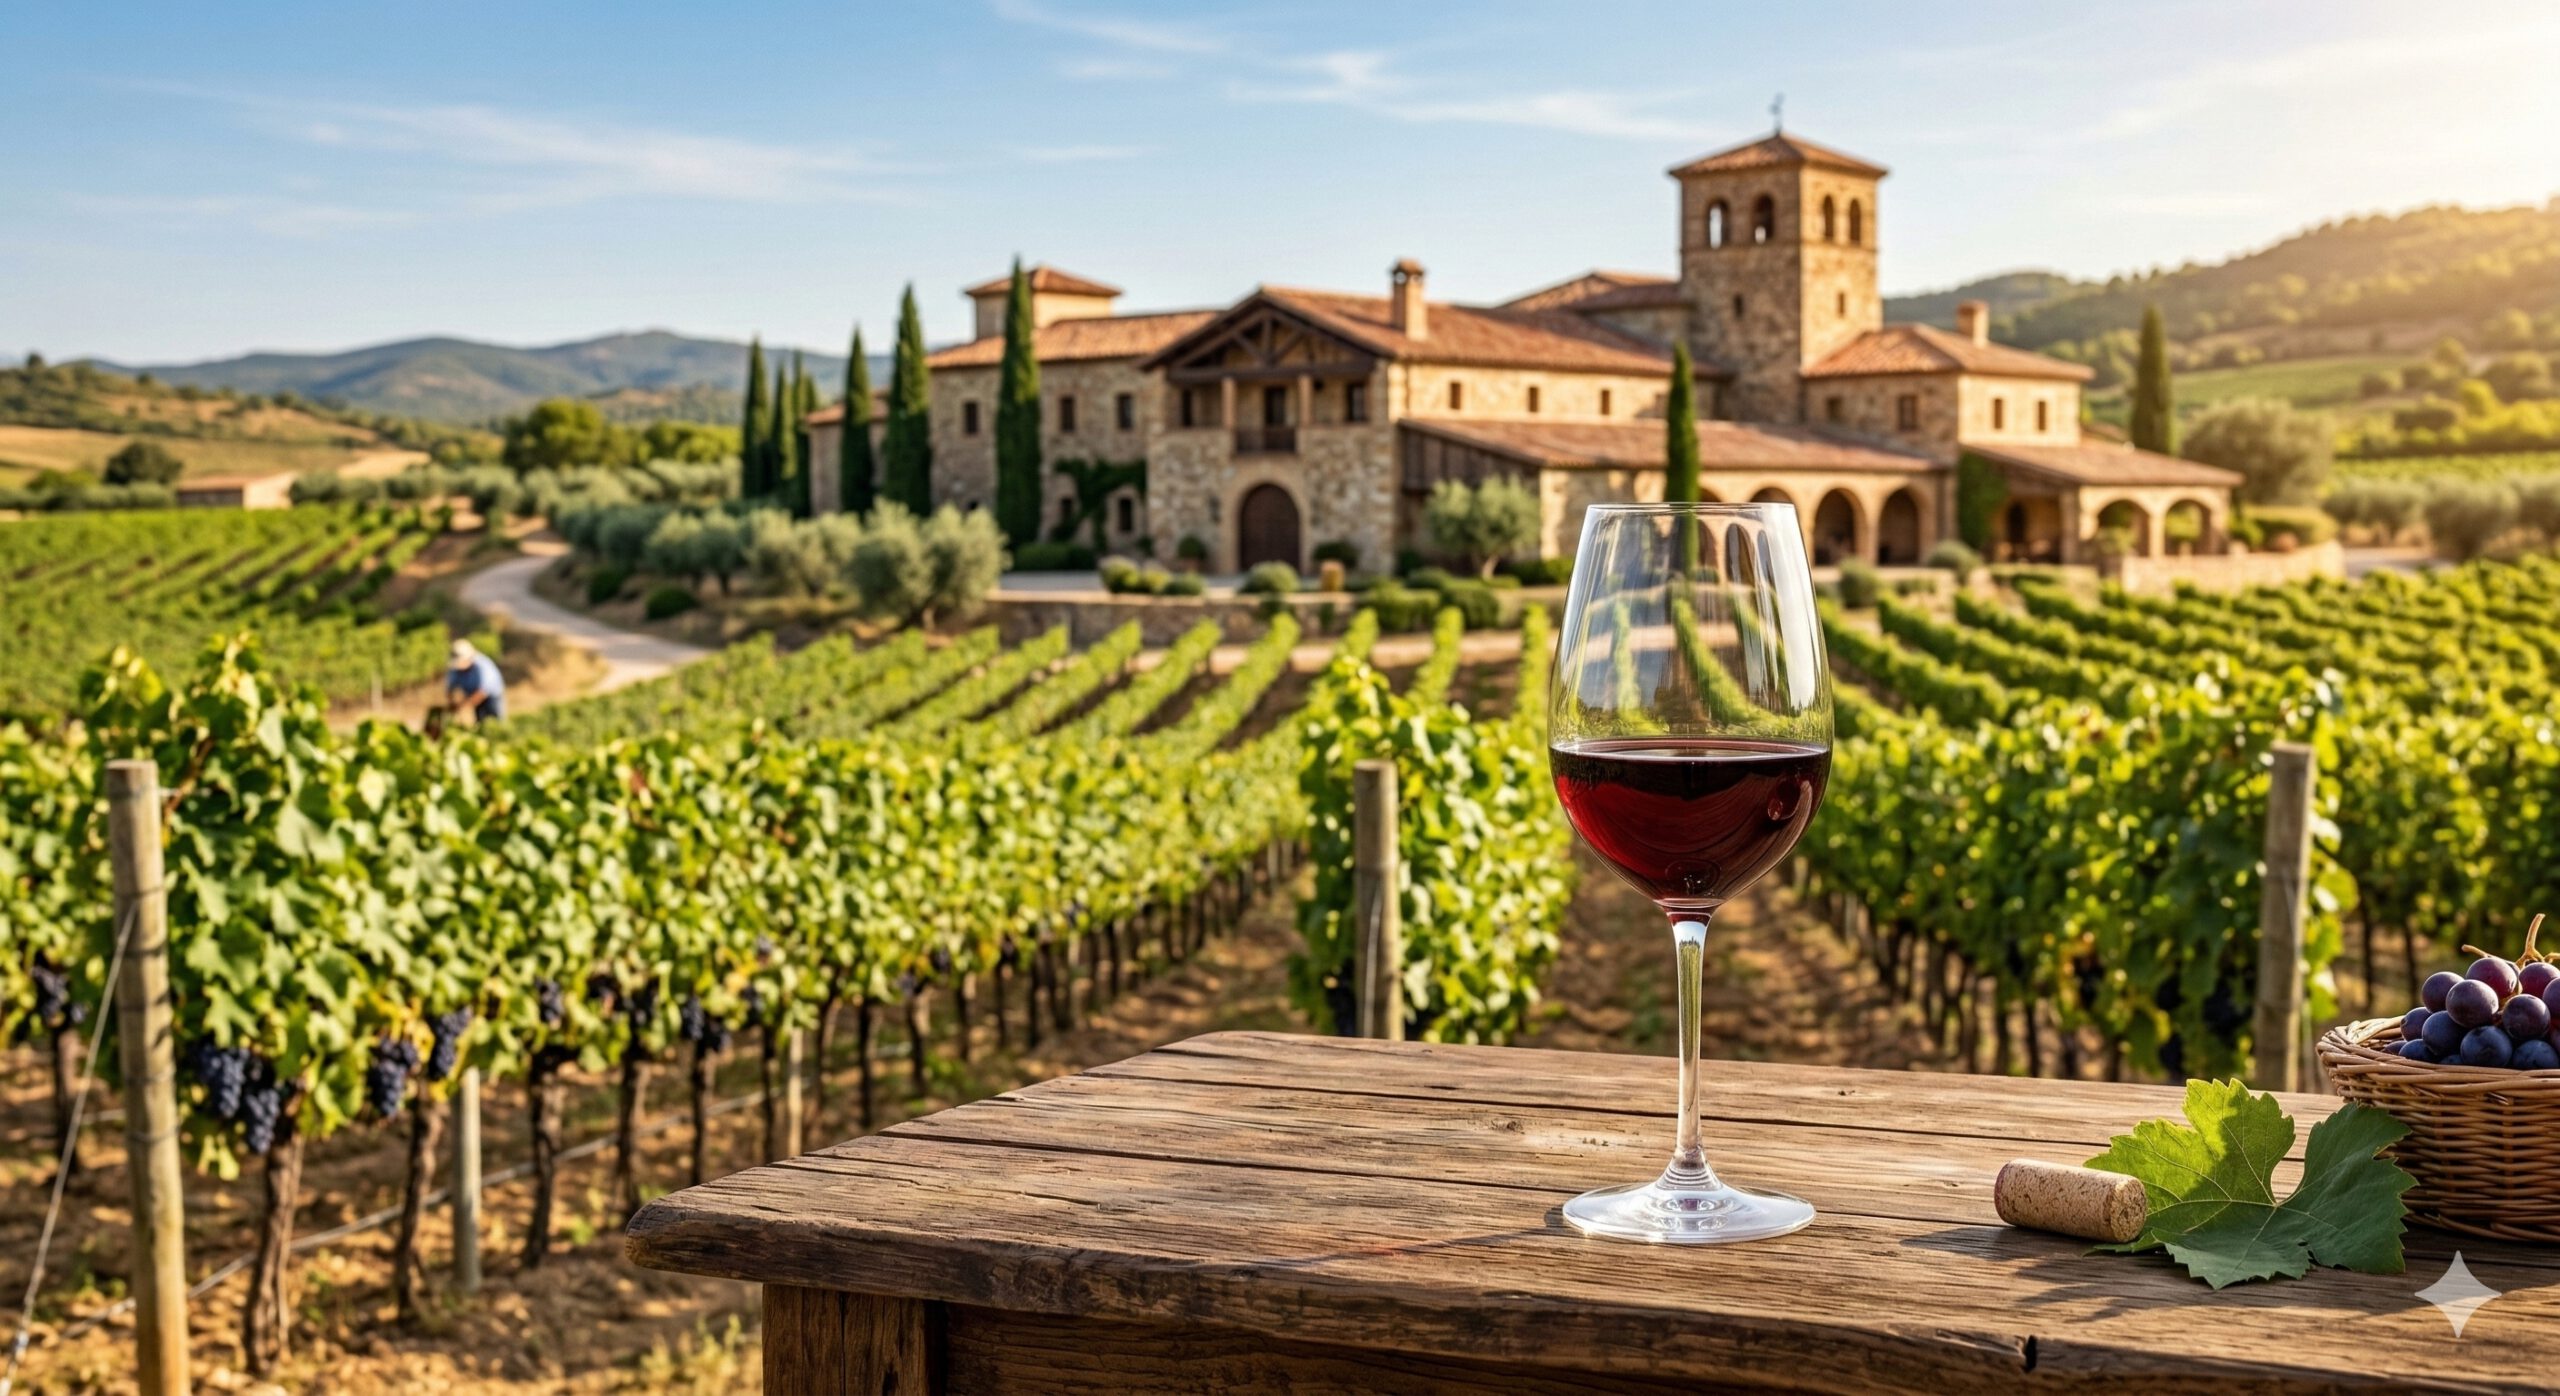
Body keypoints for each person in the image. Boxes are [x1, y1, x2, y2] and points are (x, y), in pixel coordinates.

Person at [445, 639, 507, 723]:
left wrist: (464, 705)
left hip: (491, 696)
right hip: (473, 695)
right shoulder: (455, 670)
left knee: (496, 720)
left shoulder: (482, 665)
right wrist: (452, 704)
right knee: (481, 721)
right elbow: (450, 688)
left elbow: (482, 692)